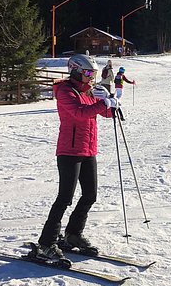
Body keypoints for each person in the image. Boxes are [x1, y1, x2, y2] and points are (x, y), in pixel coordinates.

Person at [34, 54, 118, 261]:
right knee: (65, 198)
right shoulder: (65, 91)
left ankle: (73, 235)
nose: (91, 78)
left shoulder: (87, 91)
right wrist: (102, 104)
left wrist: (111, 105)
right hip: (69, 152)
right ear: (76, 71)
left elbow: (100, 112)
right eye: (88, 73)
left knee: (90, 195)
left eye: (94, 74)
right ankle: (46, 243)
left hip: (88, 150)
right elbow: (80, 113)